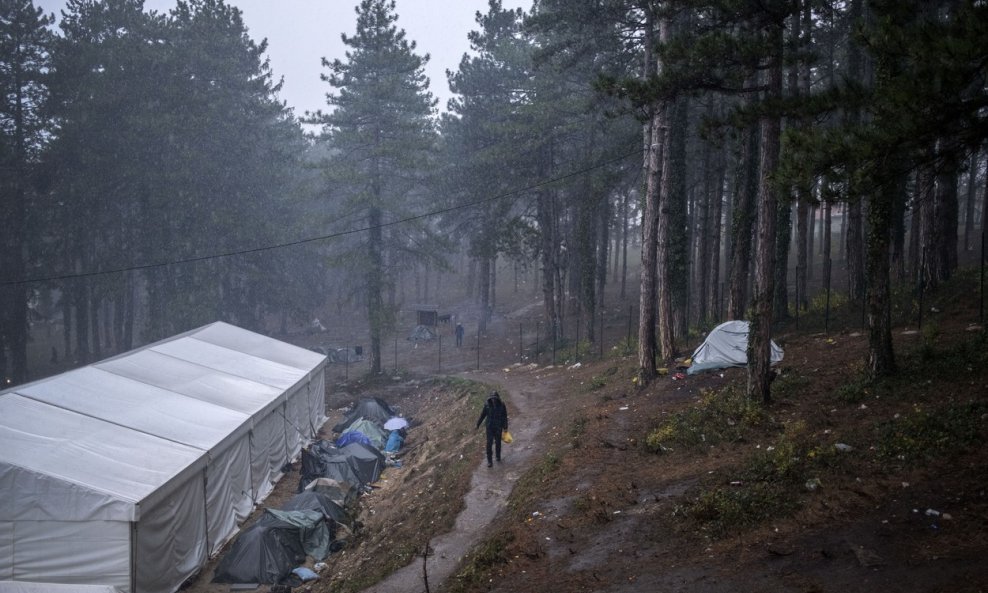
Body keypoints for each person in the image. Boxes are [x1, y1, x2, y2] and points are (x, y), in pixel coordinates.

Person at [475, 390, 508, 467]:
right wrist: (478, 424)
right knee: (489, 444)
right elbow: (482, 415)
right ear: (490, 399)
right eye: (492, 399)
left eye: (495, 399)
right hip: (489, 427)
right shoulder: (487, 405)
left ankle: (498, 456)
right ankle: (489, 461)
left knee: (498, 443)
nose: (493, 400)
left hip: (498, 427)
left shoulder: (502, 405)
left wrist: (505, 427)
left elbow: (504, 416)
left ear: (497, 399)